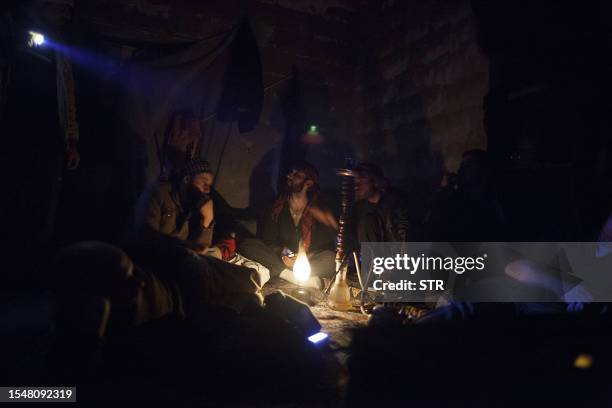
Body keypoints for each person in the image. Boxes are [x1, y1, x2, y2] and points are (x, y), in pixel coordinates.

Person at [0, 0, 80, 282]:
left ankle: (30, 268)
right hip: (14, 136)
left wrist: (71, 139)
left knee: (43, 205)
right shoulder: (12, 28)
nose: (67, 12)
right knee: (10, 197)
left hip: (49, 140)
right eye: (63, 5)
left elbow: (67, 93)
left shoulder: (60, 47)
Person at [132, 158, 265, 312]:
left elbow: (201, 248)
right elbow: (144, 235)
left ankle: (246, 303)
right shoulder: (158, 193)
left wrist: (207, 220)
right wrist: (186, 247)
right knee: (203, 272)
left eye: (210, 184)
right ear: (187, 179)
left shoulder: (195, 204)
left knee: (248, 277)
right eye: (203, 181)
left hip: (186, 255)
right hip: (158, 256)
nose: (207, 189)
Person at [239, 163, 338, 288]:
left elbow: (326, 247)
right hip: (280, 260)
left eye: (296, 175)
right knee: (248, 244)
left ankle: (285, 273)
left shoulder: (318, 210)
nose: (289, 176)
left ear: (308, 183)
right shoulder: (276, 207)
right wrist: (282, 251)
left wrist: (302, 257)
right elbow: (268, 241)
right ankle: (293, 277)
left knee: (331, 259)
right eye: (291, 172)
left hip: (308, 261)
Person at [352, 162, 410, 243]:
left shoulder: (396, 203)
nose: (357, 185)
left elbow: (404, 234)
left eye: (362, 179)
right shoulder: (360, 210)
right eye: (356, 180)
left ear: (375, 181)